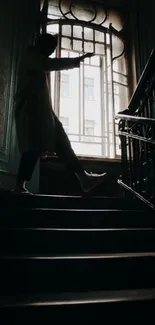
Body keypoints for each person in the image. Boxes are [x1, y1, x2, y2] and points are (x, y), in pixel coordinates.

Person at [13, 33, 107, 194]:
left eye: (54, 48)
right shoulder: (31, 56)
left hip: (44, 112)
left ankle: (84, 177)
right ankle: (19, 186)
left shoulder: (37, 58)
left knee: (62, 141)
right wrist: (74, 61)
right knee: (32, 147)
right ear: (40, 44)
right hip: (30, 112)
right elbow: (47, 64)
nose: (52, 50)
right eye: (50, 47)